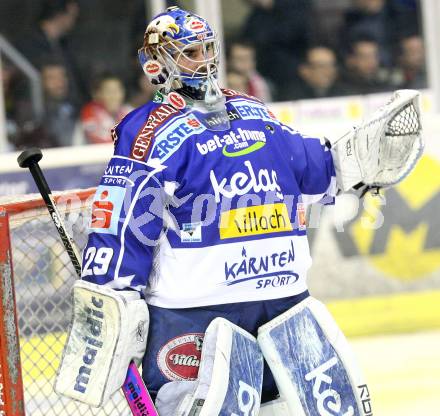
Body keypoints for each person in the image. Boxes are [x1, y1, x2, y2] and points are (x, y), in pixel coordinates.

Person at [55, 7, 422, 415]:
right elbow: (123, 216)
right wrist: (112, 291)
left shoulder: (254, 110)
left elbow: (309, 167)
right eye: (191, 52)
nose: (205, 60)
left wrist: (348, 163)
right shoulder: (146, 131)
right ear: (156, 63)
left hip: (281, 301)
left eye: (209, 48)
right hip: (194, 313)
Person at [279, 45, 347, 101]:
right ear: (304, 70)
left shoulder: (347, 94)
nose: (328, 71)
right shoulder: (290, 97)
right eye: (321, 66)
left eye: (332, 66)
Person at [80, 73, 132, 144]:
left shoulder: (128, 111)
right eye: (109, 91)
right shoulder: (89, 112)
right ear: (98, 94)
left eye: (118, 90)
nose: (114, 95)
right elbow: (98, 140)